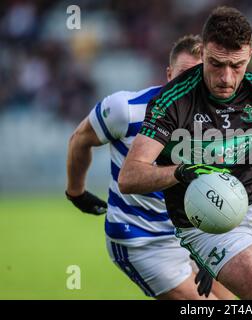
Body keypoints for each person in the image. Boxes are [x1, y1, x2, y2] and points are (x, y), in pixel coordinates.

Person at [119, 6, 252, 300]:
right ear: (204, 52)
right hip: (207, 221)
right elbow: (130, 175)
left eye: (236, 65)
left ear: (250, 55)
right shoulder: (172, 101)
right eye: (216, 64)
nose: (226, 77)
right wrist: (181, 171)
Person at [66, 34, 234, 300]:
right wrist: (75, 192)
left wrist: (210, 248)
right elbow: (80, 139)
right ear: (169, 75)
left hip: (187, 237)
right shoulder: (126, 109)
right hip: (141, 240)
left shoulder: (217, 122)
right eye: (182, 75)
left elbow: (218, 193)